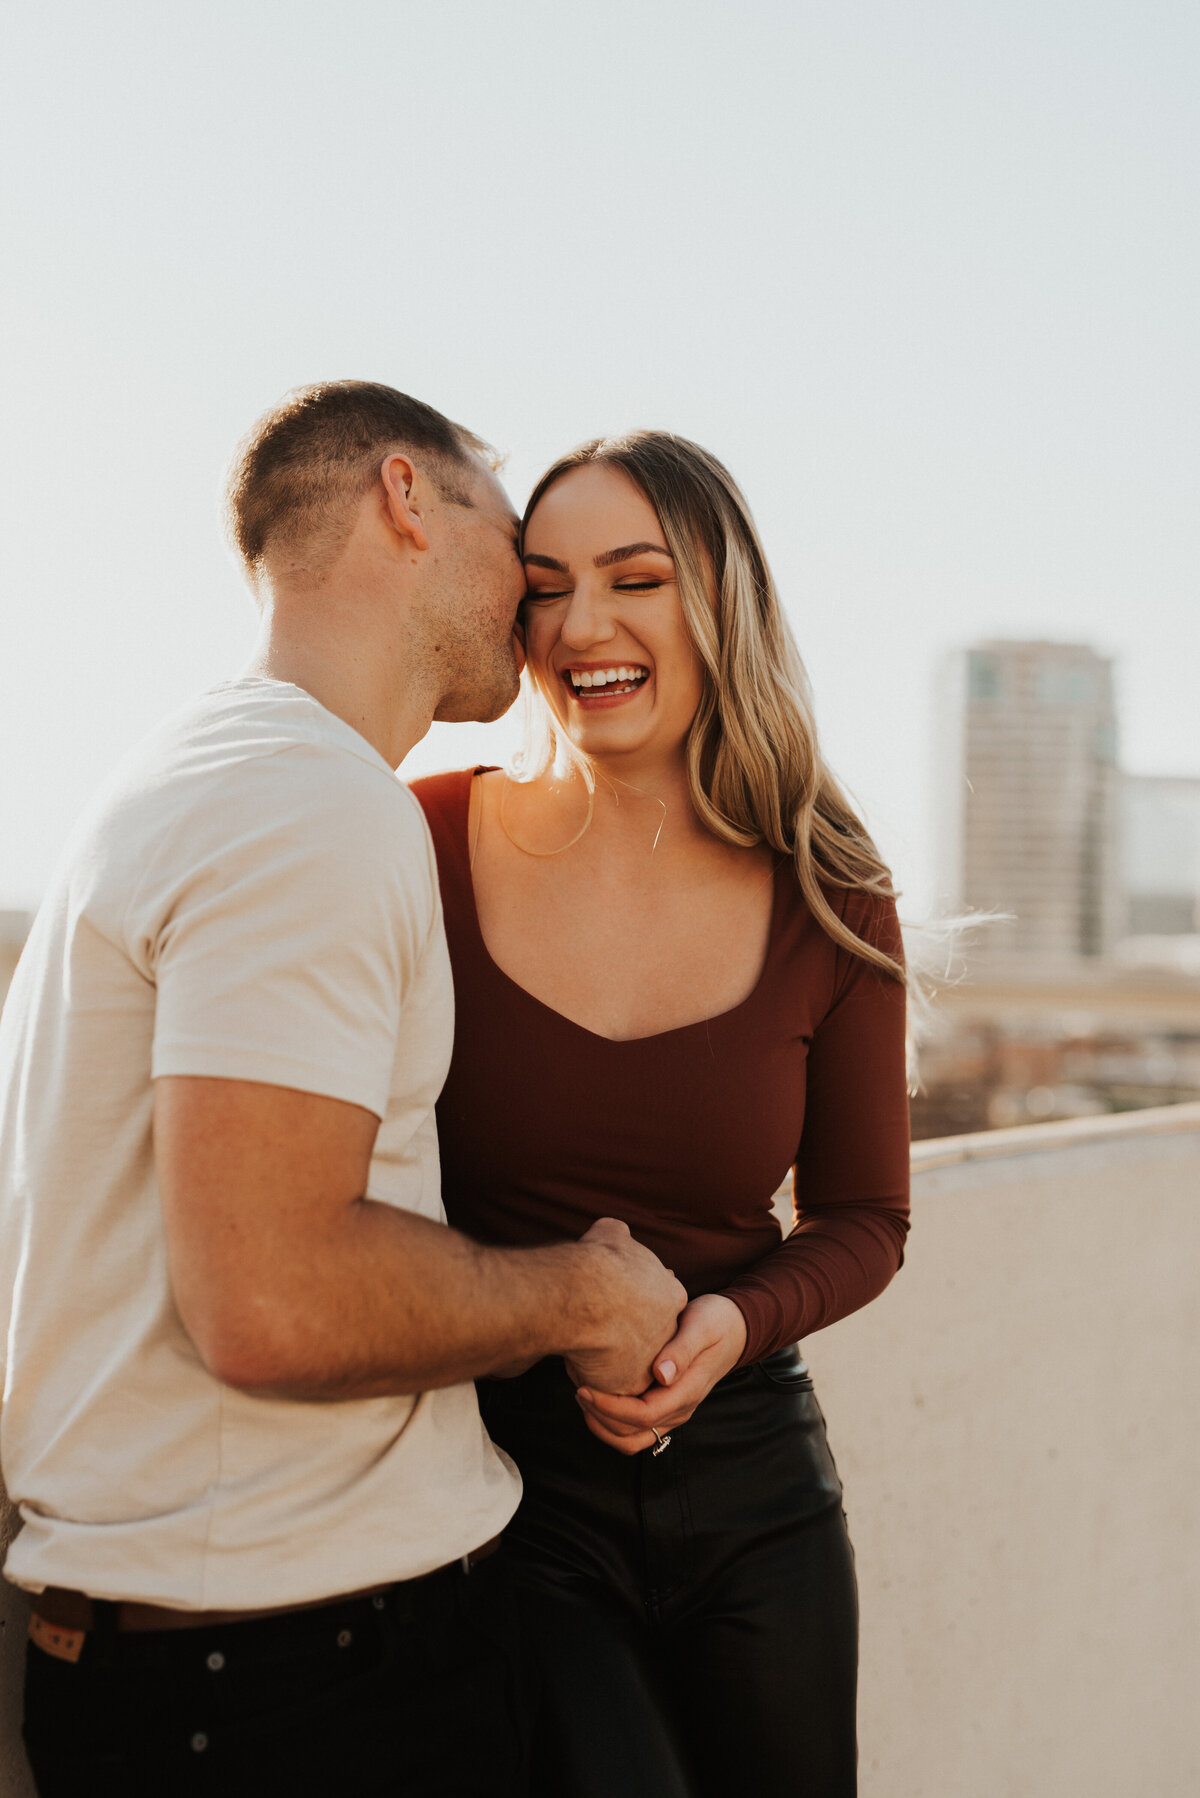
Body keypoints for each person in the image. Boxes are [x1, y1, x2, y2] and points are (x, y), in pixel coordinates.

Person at [0, 383, 686, 1798]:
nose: (543, 608)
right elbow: (275, 1296)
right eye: (519, 540)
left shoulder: (174, 778)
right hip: (290, 1685)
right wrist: (586, 1297)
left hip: (203, 1659)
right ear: (405, 496)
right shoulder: (310, 805)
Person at [412, 430, 911, 1798]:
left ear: (716, 599)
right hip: (510, 1498)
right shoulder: (419, 839)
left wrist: (730, 1324)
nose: (583, 626)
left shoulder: (832, 884)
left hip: (761, 1493)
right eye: (547, 583)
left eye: (635, 578)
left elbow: (867, 1216)